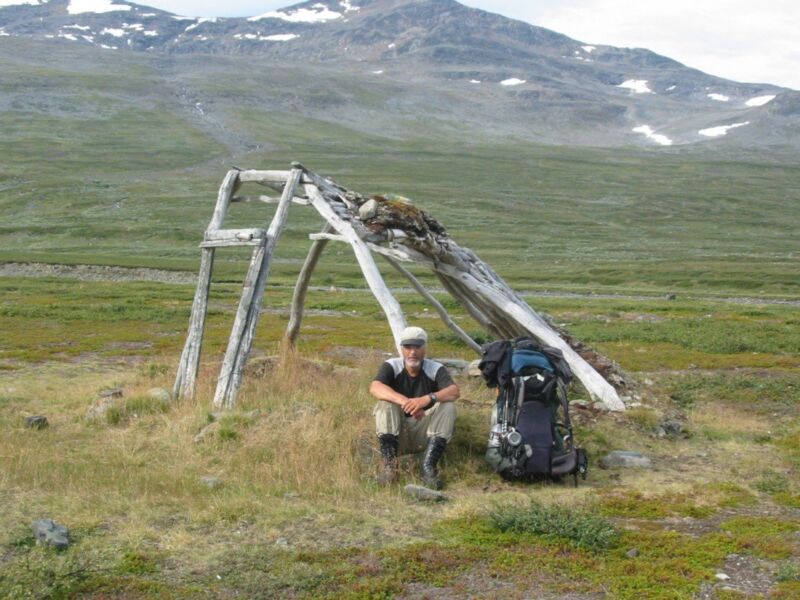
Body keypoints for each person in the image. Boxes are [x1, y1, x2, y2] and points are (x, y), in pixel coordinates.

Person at [369, 326, 460, 489]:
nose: (412, 352)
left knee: (448, 406)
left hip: (425, 430)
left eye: (417, 347)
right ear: (401, 349)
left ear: (425, 348)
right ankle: (390, 466)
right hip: (397, 430)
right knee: (385, 404)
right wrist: (407, 402)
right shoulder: (392, 365)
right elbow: (375, 387)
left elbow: (454, 391)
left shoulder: (435, 368)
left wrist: (427, 399)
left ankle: (428, 467)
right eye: (408, 347)